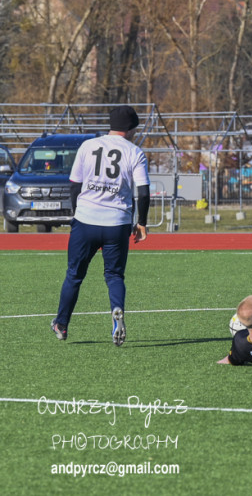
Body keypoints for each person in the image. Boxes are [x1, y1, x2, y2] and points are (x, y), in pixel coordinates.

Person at [51, 105, 150, 346]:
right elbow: (144, 193)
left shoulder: (88, 145)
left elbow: (75, 184)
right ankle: (117, 311)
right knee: (114, 275)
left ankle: (62, 324)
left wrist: (78, 213)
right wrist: (142, 223)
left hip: (86, 220)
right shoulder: (135, 152)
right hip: (117, 222)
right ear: (130, 129)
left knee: (74, 275)